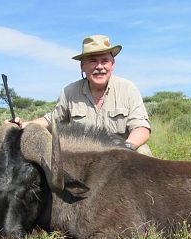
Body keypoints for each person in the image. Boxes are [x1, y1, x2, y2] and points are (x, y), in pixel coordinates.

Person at [9, 35, 152, 155]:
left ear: (112, 64)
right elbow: (51, 120)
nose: (99, 67)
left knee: (143, 152)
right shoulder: (69, 92)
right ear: (82, 66)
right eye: (93, 61)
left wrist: (124, 149)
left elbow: (141, 128)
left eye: (105, 61)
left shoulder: (127, 89)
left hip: (119, 154)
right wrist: (21, 125)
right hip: (83, 157)